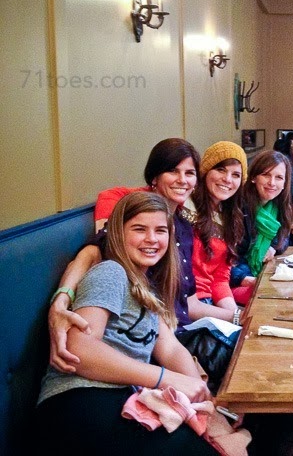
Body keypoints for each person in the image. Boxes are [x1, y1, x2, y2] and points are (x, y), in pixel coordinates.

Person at [35, 192, 215, 455]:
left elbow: (170, 348)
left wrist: (205, 398)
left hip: (118, 400)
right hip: (77, 400)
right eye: (139, 229)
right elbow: (79, 349)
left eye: (160, 230)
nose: (151, 239)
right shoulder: (111, 272)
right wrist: (166, 379)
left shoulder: (146, 290)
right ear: (118, 234)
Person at [48, 138, 201, 373]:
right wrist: (61, 301)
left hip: (173, 334)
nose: (182, 180)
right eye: (173, 171)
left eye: (189, 173)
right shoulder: (131, 216)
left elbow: (187, 304)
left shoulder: (185, 227)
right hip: (151, 344)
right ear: (154, 177)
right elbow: (91, 254)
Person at [189, 141, 247, 322]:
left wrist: (236, 317)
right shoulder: (184, 208)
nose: (228, 179)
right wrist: (236, 317)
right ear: (205, 171)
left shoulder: (229, 217)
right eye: (221, 170)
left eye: (236, 175)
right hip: (185, 309)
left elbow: (220, 279)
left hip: (210, 305)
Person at [230, 150, 292, 304]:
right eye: (266, 175)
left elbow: (284, 237)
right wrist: (243, 278)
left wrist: (273, 247)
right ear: (253, 178)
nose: (272, 183)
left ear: (285, 183)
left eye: (279, 177)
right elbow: (223, 259)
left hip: (256, 275)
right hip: (232, 282)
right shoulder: (237, 208)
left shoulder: (277, 207)